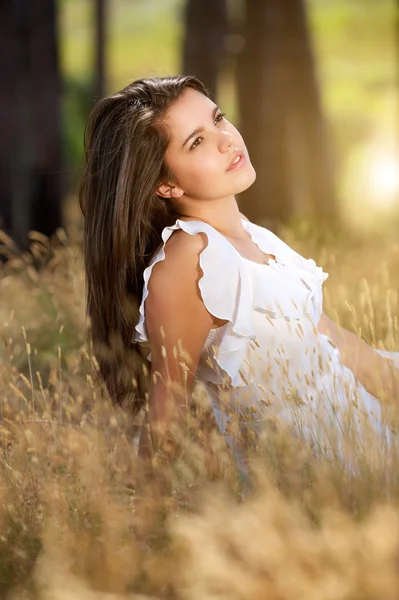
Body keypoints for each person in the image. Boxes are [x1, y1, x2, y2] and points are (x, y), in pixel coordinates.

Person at [79, 75, 399, 481]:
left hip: (371, 448)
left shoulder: (253, 237)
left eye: (219, 119)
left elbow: (335, 345)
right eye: (196, 141)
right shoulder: (188, 260)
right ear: (165, 183)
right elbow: (167, 416)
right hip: (319, 479)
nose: (227, 140)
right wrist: (141, 534)